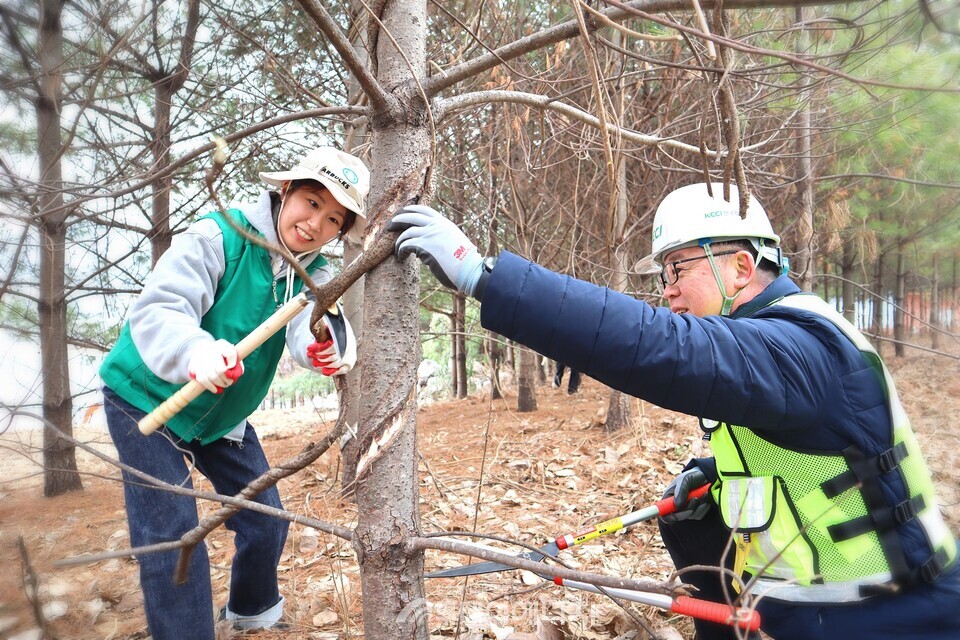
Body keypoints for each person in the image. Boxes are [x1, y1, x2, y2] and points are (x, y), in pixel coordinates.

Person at [388, 182, 959, 640]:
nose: (668, 291)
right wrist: (716, 481)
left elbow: (663, 347)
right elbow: (824, 454)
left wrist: (486, 279)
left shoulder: (797, 347)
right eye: (663, 275)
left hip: (899, 620)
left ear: (740, 267)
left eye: (678, 269)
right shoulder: (775, 341)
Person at [99, 146, 369, 639]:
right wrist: (198, 353)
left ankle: (251, 613)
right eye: (311, 202)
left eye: (334, 219)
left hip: (222, 419)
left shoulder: (315, 271)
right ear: (285, 190)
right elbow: (161, 309)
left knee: (266, 518)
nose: (315, 225)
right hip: (147, 398)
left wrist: (327, 348)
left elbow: (318, 325)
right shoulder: (217, 235)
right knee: (175, 535)